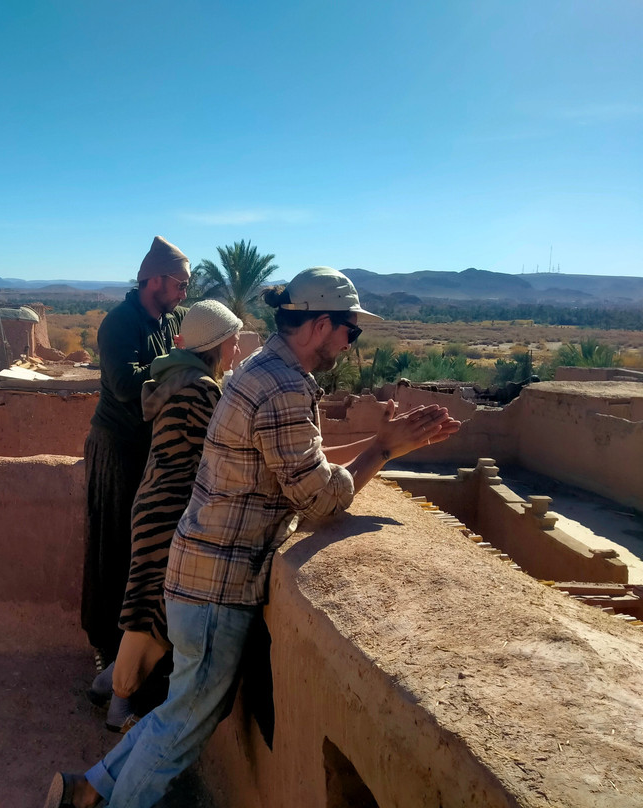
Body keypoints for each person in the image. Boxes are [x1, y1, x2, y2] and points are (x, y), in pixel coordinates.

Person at [46, 266, 461, 808]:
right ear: (316, 324)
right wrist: (381, 451)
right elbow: (318, 498)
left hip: (196, 569)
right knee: (184, 725)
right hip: (218, 585)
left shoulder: (260, 372)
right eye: (348, 329)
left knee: (185, 710)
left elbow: (290, 465)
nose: (349, 341)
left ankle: (89, 787)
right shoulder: (284, 388)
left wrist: (374, 442)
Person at [94, 300, 244, 733]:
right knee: (155, 608)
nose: (236, 346)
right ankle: (120, 703)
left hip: (153, 499)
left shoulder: (174, 378)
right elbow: (226, 448)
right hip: (170, 508)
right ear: (216, 342)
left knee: (142, 594)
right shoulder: (201, 389)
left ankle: (109, 681)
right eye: (232, 338)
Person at [82, 236, 190, 669]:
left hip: (151, 449)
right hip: (117, 449)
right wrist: (177, 362)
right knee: (114, 546)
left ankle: (138, 651)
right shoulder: (119, 324)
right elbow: (126, 386)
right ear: (156, 281)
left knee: (145, 549)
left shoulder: (170, 317)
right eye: (180, 285)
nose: (184, 293)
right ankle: (106, 648)